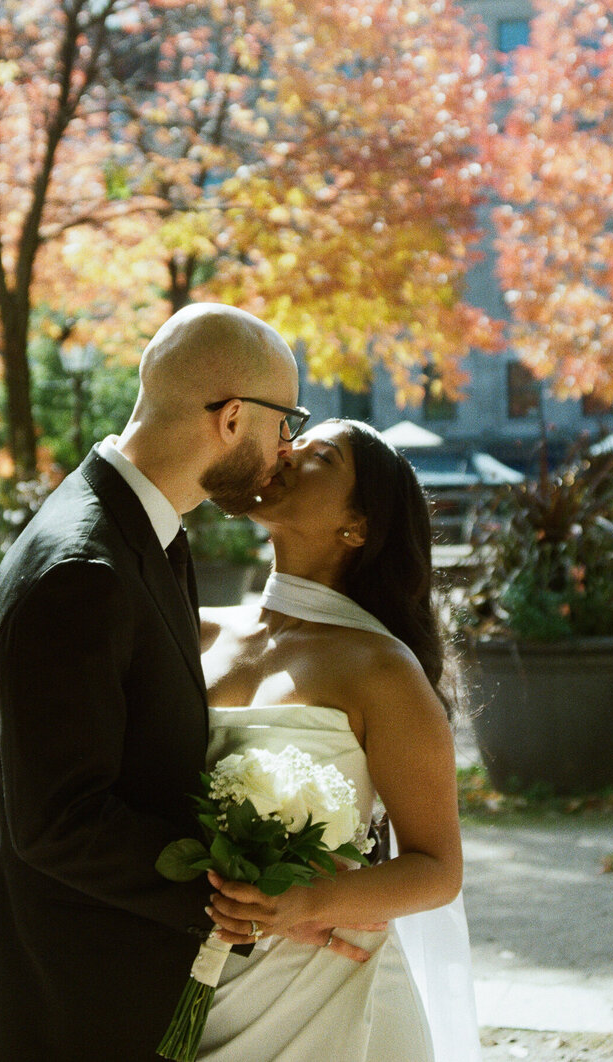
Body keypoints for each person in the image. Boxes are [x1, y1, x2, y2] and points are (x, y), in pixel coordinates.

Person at [0, 303, 308, 1062]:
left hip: (91, 986)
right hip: (63, 1007)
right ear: (233, 418)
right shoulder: (83, 566)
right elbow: (57, 819)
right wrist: (233, 890)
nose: (287, 446)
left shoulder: (144, 529)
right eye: (284, 422)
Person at [197, 419, 481, 1061]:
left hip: (328, 994)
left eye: (321, 454)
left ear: (357, 528)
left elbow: (437, 868)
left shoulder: (382, 670)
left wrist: (309, 901)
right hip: (189, 969)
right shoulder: (195, 633)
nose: (287, 451)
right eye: (293, 439)